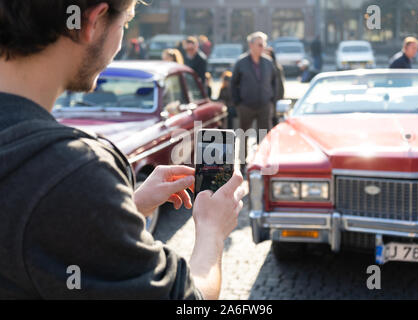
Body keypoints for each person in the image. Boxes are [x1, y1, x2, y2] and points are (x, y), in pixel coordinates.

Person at [0, 0, 245, 299]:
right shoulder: (73, 170)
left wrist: (127, 206)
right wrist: (212, 231)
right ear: (93, 21)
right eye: (126, 22)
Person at [231, 32, 277, 166]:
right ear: (251, 45)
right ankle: (242, 162)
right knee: (243, 135)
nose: (263, 47)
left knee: (264, 135)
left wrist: (271, 101)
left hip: (264, 105)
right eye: (260, 44)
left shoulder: (268, 62)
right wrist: (238, 103)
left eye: (264, 44)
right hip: (246, 105)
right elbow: (234, 83)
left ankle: (262, 161)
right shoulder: (241, 62)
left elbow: (275, 82)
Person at [264, 47, 285, 127]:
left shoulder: (276, 67)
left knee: (274, 120)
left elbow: (280, 86)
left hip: (274, 98)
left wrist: (278, 99)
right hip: (265, 99)